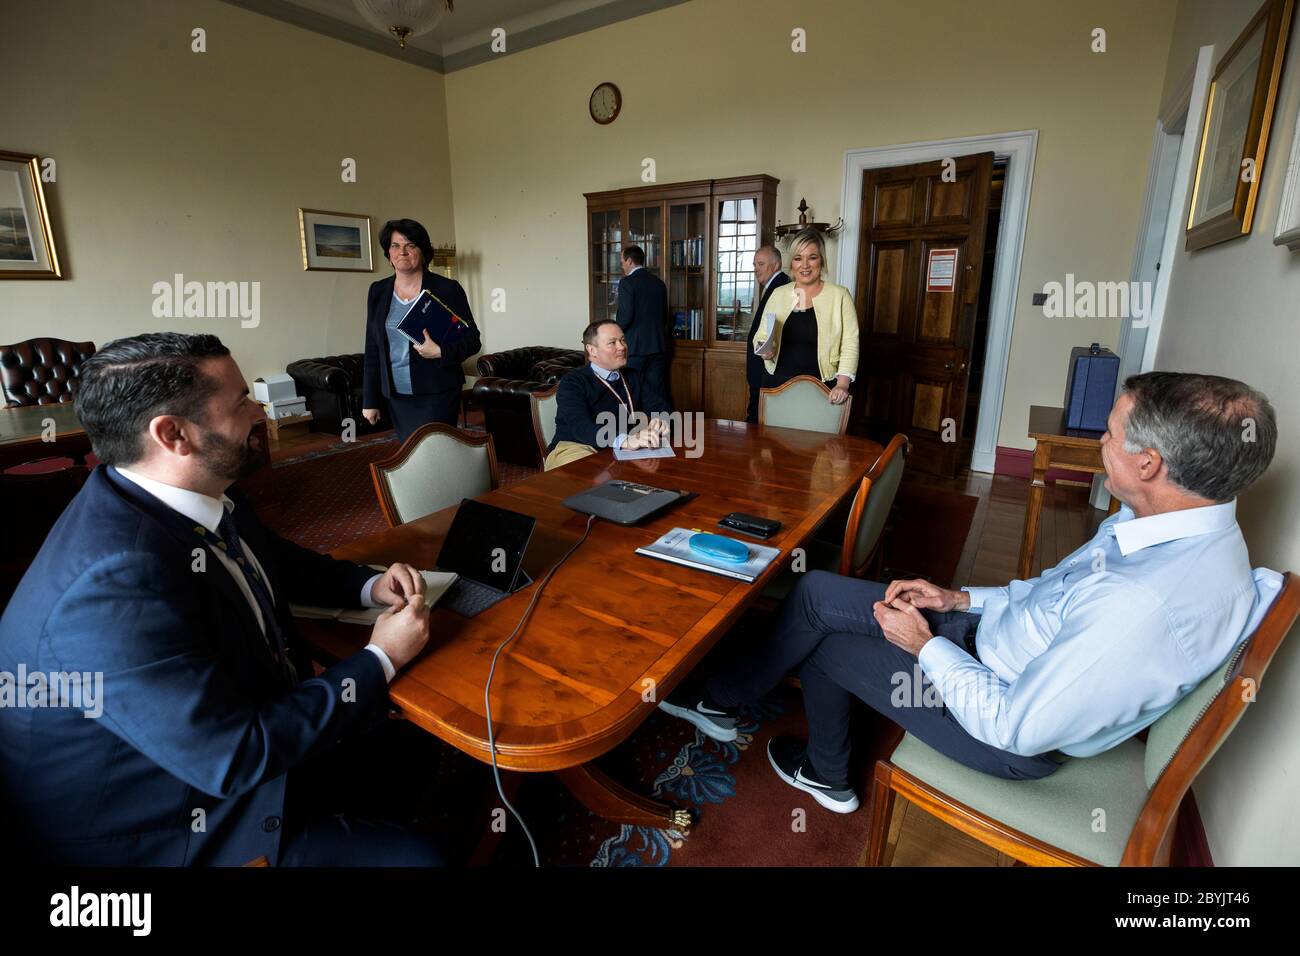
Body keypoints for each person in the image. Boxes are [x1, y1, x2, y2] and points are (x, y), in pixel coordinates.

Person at [660, 372, 1277, 813]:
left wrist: (923, 645)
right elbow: (1049, 596)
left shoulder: (1141, 606)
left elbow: (1016, 727)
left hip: (1000, 720)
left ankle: (828, 778)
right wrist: (959, 601)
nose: (1100, 444)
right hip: (988, 644)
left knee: (826, 646)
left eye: (1111, 436)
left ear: (1149, 464)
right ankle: (726, 697)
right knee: (819, 591)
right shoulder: (1170, 529)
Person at [0, 332, 442, 865]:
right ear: (174, 435)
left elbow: (275, 560)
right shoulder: (111, 583)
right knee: (418, 857)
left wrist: (368, 586)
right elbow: (233, 757)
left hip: (227, 738)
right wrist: (382, 657)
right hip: (165, 823)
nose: (260, 411)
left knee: (416, 754)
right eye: (240, 400)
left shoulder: (182, 490)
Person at [362, 218, 481, 444]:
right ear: (388, 253)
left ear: (423, 251)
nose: (402, 252)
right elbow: (372, 347)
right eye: (395, 246)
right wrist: (370, 400)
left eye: (410, 245)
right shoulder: (378, 291)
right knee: (410, 456)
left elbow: (473, 340)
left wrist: (440, 351)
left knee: (437, 452)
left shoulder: (447, 289)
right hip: (396, 396)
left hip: (437, 391)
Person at [752, 227, 858, 410]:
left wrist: (842, 384)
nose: (805, 265)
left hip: (824, 388)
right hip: (778, 386)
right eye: (798, 258)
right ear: (792, 263)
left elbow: (850, 343)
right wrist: (763, 349)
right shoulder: (778, 294)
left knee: (819, 440)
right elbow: (760, 334)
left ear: (822, 260)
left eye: (812, 257)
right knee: (774, 439)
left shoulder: (840, 296)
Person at [545, 319, 671, 471]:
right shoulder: (573, 382)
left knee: (663, 472)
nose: (622, 347)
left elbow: (660, 406)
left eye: (623, 340)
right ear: (592, 350)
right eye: (612, 343)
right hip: (575, 446)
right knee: (595, 482)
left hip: (621, 447)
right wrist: (625, 440)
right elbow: (581, 427)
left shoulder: (634, 376)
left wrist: (661, 421)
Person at [615, 244, 672, 409]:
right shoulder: (658, 283)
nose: (622, 265)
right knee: (657, 392)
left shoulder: (627, 283)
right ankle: (664, 430)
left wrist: (613, 333)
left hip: (636, 347)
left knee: (631, 391)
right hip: (658, 346)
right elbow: (663, 316)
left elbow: (625, 318)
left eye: (622, 262)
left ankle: (634, 431)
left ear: (630, 261)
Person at [745, 244, 791, 423]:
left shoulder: (780, 289)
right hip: (763, 369)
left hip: (767, 369)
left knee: (759, 419)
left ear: (776, 265)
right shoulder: (774, 286)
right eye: (755, 265)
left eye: (761, 264)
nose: (756, 269)